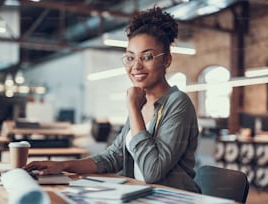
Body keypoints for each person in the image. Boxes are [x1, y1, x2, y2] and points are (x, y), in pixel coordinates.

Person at [24, 6, 200, 193]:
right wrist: (63, 166)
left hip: (172, 198)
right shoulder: (140, 102)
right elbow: (114, 156)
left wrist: (132, 108)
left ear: (167, 61)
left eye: (147, 57)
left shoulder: (177, 103)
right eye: (130, 58)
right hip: (140, 195)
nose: (136, 66)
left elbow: (152, 171)